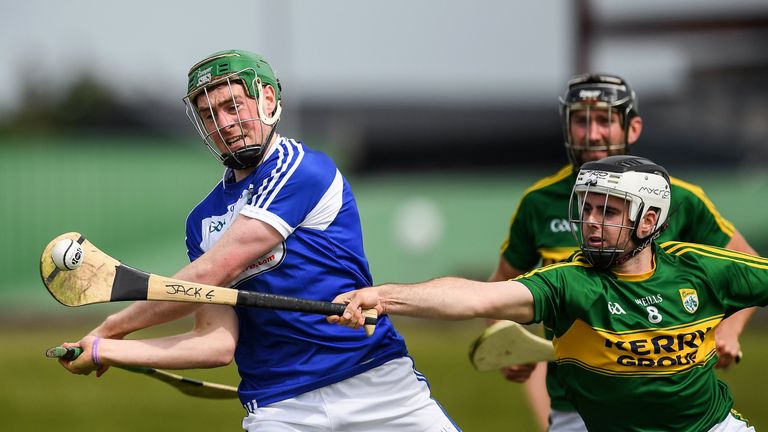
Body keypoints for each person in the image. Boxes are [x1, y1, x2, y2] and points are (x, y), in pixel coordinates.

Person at [58, 49, 460, 432]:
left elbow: (217, 270)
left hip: (375, 381)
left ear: (267, 99)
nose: (223, 124)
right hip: (279, 407)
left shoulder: (303, 170)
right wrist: (103, 350)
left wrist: (113, 328)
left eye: (232, 106)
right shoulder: (202, 221)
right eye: (208, 114)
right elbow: (213, 345)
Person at [330, 155, 765, 432]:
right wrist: (382, 296)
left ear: (648, 221)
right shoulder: (569, 281)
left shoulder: (699, 268)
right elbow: (475, 298)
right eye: (588, 208)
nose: (592, 221)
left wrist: (734, 327)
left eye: (608, 211)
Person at [488, 73, 759, 431]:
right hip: (578, 407)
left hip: (676, 402)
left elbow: (750, 269)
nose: (593, 133)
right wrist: (508, 343)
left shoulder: (678, 199)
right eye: (580, 121)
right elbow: (502, 286)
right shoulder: (538, 203)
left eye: (605, 120)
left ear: (633, 129)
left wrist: (730, 330)